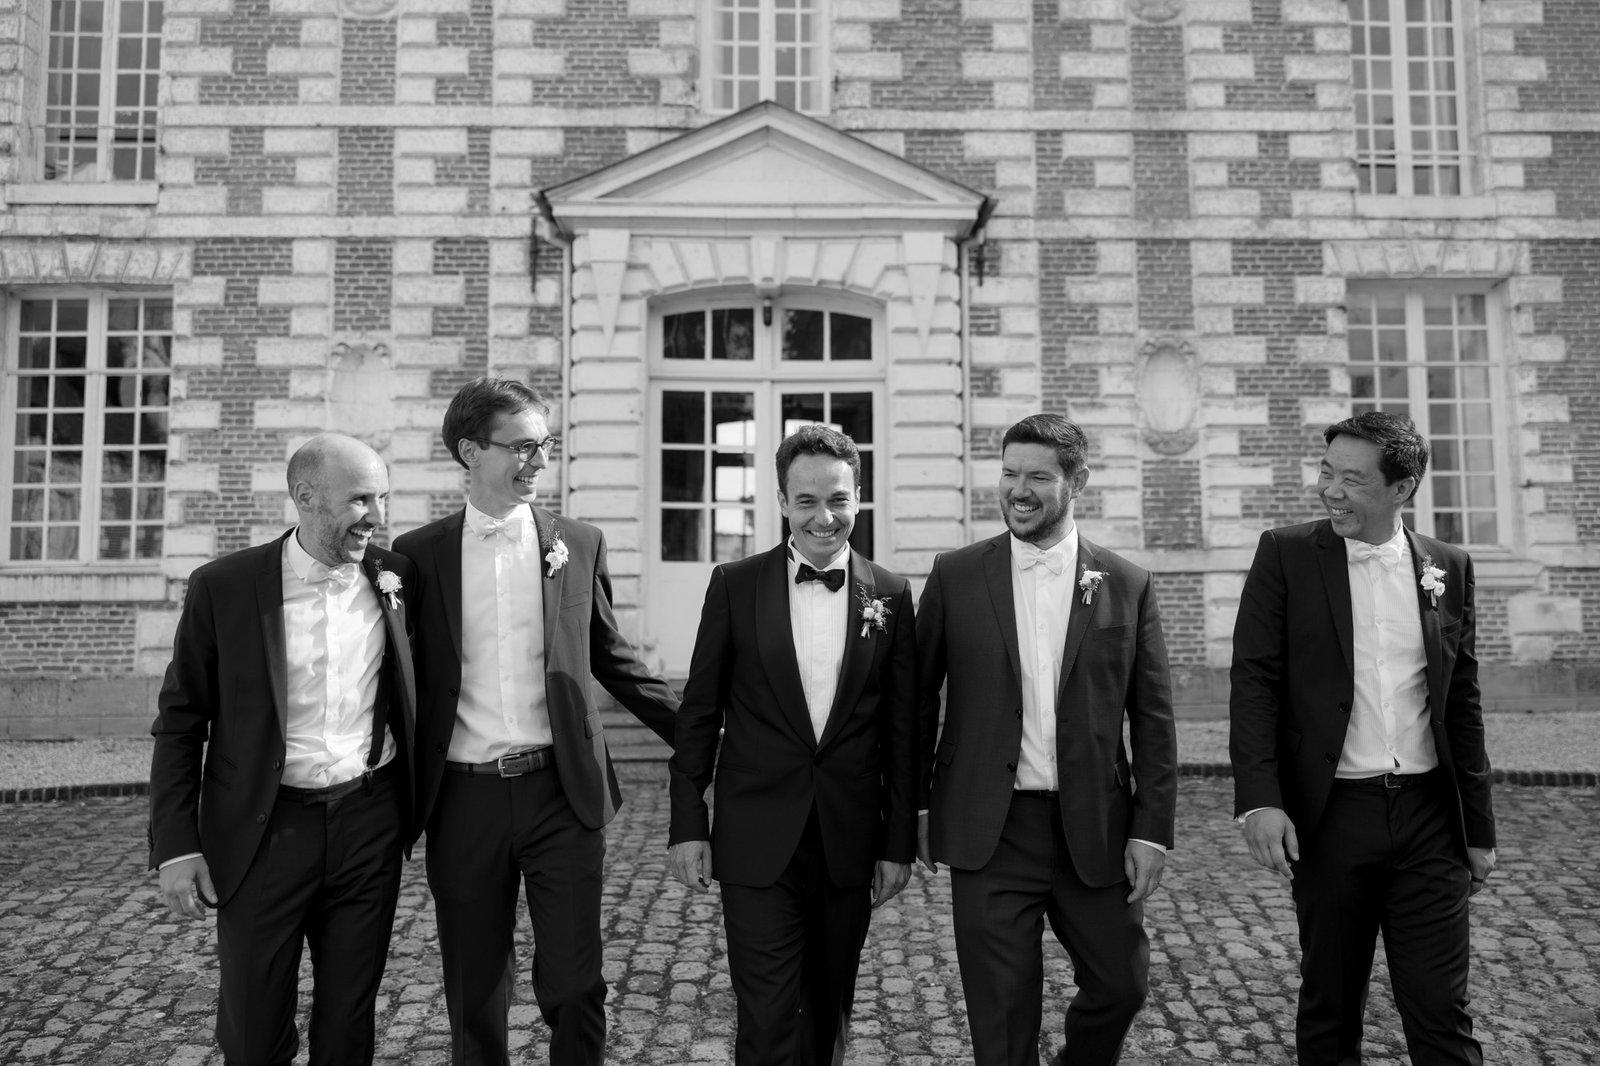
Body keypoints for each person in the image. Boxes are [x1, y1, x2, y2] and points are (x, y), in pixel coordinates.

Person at [394, 377, 678, 1066]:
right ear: (470, 451)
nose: (539, 462)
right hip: (463, 798)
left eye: (544, 446)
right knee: (475, 987)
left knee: (577, 983)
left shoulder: (577, 543)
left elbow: (613, 659)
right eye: (522, 446)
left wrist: (706, 731)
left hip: (562, 793)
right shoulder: (416, 556)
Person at [1229, 411, 1497, 1065]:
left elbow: (1461, 701)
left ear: (1401, 489)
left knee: (1441, 1011)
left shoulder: (1448, 567)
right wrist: (1260, 798)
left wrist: (1479, 829)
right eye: (1327, 474)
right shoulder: (1286, 554)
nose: (1332, 491)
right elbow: (1254, 682)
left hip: (1431, 816)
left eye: (1353, 479)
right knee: (1331, 1004)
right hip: (1331, 817)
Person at [916, 413, 1178, 1066]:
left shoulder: (1127, 582)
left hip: (1095, 828)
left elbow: (1154, 720)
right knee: (1002, 1027)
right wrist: (917, 807)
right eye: (1008, 474)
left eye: (1036, 476)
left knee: (1122, 985)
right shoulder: (954, 576)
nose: (1017, 490)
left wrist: (1151, 829)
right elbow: (912, 703)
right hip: (991, 832)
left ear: (1077, 480)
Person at [148, 432, 417, 1066]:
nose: (376, 517)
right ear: (304, 497)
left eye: (382, 498)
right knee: (252, 1026)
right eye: (358, 500)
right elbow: (181, 720)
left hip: (367, 825)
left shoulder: (396, 578)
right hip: (263, 831)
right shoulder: (225, 586)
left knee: (349, 1020)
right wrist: (177, 845)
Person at [668, 424, 918, 1066]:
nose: (823, 517)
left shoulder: (889, 595)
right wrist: (688, 823)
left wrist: (897, 844)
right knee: (768, 1014)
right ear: (781, 502)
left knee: (829, 1008)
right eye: (806, 501)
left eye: (837, 499)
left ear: (858, 496)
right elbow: (699, 713)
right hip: (755, 838)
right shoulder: (735, 585)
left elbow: (903, 729)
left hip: (848, 839)